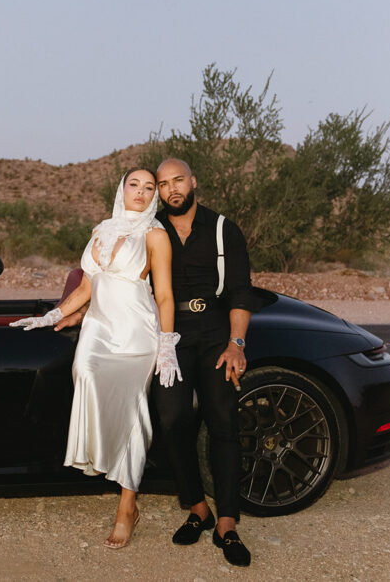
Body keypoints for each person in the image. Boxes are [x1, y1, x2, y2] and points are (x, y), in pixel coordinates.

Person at [11, 168, 179, 549]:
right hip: (99, 330)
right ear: (122, 189)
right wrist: (51, 315)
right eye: (133, 184)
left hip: (137, 333)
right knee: (84, 372)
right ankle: (102, 455)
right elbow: (88, 285)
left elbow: (165, 294)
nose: (140, 192)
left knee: (134, 411)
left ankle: (127, 506)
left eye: (148, 187)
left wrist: (167, 346)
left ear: (154, 196)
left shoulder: (156, 235)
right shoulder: (100, 230)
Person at [150, 157, 262, 567]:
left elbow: (240, 292)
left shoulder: (222, 229)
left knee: (223, 422)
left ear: (193, 182)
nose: (171, 190)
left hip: (215, 330)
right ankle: (198, 509)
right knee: (172, 419)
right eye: (163, 185)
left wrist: (236, 344)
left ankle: (227, 524)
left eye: (178, 181)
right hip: (170, 333)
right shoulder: (153, 229)